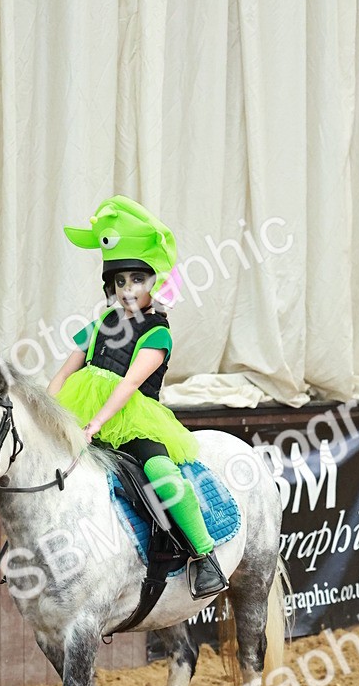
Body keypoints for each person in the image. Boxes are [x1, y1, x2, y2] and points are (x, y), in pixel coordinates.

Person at [47, 195, 228, 598]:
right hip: (82, 413)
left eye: (138, 280)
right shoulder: (99, 323)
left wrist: (96, 423)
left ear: (155, 284)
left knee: (163, 475)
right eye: (121, 281)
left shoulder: (157, 332)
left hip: (132, 418)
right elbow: (64, 371)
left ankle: (204, 555)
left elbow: (129, 384)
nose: (128, 289)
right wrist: (47, 413)